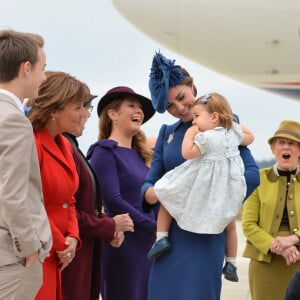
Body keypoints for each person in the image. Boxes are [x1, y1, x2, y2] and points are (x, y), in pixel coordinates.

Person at [141, 51, 260, 299]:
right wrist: (151, 194)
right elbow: (150, 183)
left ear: (192, 87)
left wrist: (214, 200)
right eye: (170, 106)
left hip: (206, 235)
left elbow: (251, 175)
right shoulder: (166, 134)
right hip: (169, 238)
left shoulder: (224, 126)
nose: (179, 108)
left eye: (182, 97)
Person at [148, 93, 254, 283]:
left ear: (213, 117)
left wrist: (190, 135)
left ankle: (161, 237)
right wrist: (236, 126)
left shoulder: (207, 137)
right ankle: (231, 262)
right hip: (227, 187)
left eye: (197, 117)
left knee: (167, 195)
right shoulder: (234, 134)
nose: (194, 122)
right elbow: (250, 137)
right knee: (229, 224)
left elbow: (188, 153)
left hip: (203, 183)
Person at [61, 94, 134, 300]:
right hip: (69, 253)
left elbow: (84, 205)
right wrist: (109, 226)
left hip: (83, 251)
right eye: (79, 107)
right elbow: (64, 208)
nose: (86, 114)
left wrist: (107, 227)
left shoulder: (71, 145)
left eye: (87, 107)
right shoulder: (67, 146)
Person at [87, 86, 156, 300]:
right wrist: (154, 228)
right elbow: (113, 201)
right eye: (132, 105)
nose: (139, 111)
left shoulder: (141, 155)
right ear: (113, 114)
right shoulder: (104, 151)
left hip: (150, 242)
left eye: (141, 108)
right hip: (125, 243)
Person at [25, 71, 89, 300]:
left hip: (57, 254)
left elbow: (69, 200)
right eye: (78, 107)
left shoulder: (64, 145)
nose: (86, 113)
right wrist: (62, 243)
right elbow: (30, 201)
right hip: (36, 252)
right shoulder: (32, 142)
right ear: (54, 109)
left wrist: (73, 236)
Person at [0, 29, 52, 300]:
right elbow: (12, 193)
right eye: (43, 68)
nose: (44, 77)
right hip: (12, 257)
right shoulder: (13, 120)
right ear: (26, 68)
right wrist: (29, 246)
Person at [242, 120, 300, 300]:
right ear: (273, 149)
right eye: (281, 143)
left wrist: (294, 239)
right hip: (264, 260)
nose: (286, 148)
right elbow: (248, 224)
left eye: (291, 143)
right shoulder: (258, 179)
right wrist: (276, 246)